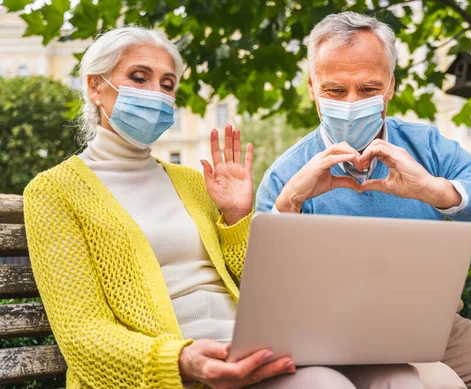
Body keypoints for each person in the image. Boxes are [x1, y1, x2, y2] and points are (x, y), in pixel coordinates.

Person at [23, 26, 431, 389]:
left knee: (398, 376)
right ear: (96, 86)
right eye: (138, 77)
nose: (156, 94)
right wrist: (181, 360)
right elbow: (82, 333)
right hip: (186, 366)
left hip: (256, 343)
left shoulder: (191, 180)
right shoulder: (53, 192)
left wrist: (237, 216)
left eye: (167, 84)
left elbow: (259, 282)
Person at [256, 11, 471, 389]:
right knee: (438, 383)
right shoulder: (287, 176)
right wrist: (288, 209)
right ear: (311, 87)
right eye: (334, 90)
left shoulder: (427, 147)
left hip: (437, 329)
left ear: (390, 86)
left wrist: (437, 191)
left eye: (367, 89)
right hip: (337, 340)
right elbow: (269, 308)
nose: (350, 103)